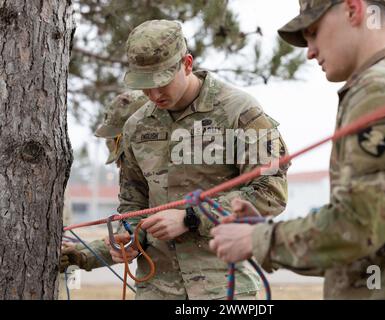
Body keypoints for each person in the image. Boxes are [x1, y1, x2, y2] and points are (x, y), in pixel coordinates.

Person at [209, 0, 385, 299]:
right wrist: (261, 231)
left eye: (313, 32)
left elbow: (358, 226)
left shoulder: (382, 89)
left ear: (353, 9)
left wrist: (257, 239)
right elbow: (370, 234)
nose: (309, 51)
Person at [113, 19, 290, 300]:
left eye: (162, 82)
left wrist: (191, 218)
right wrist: (128, 234)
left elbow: (270, 193)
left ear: (186, 64)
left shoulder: (239, 112)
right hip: (156, 287)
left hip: (223, 285)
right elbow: (133, 201)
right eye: (145, 85)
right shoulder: (137, 126)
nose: (154, 94)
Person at [59, 90, 148, 273]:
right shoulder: (137, 188)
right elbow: (126, 237)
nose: (121, 167)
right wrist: (82, 256)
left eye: (123, 158)